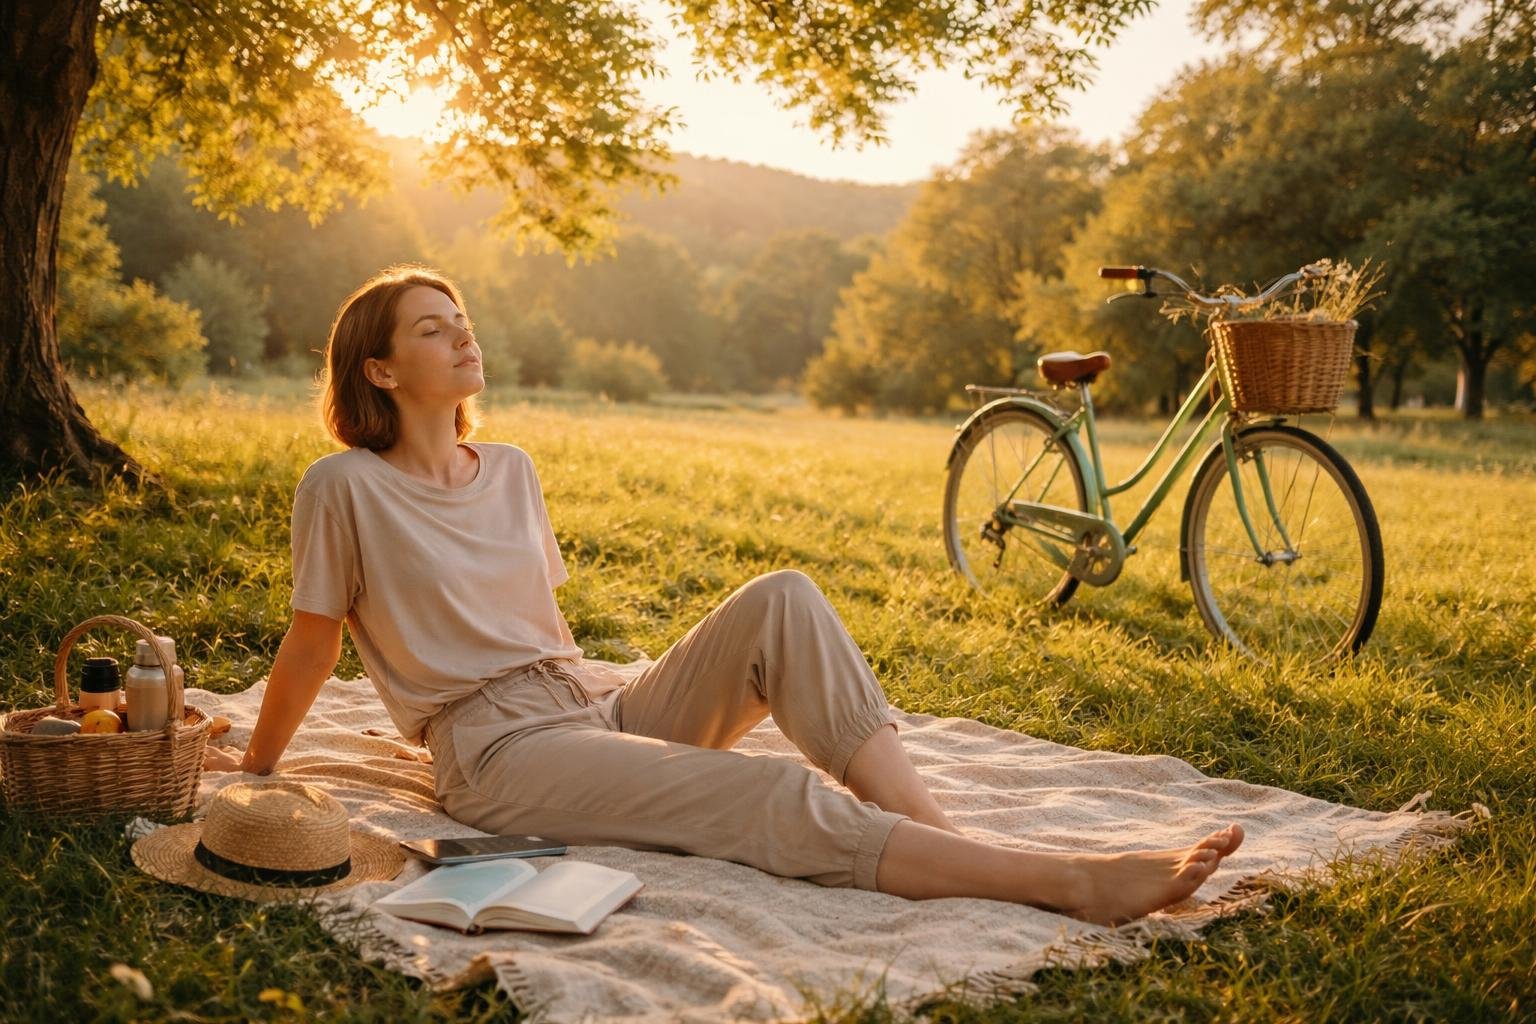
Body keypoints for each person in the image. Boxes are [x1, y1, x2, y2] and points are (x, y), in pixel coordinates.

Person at [204, 265, 1243, 925]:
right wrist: (254, 762)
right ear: (380, 371)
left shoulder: (510, 467)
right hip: (494, 752)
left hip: (585, 704)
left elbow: (539, 628)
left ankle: (955, 840)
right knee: (771, 793)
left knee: (783, 596)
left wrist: (623, 724)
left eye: (462, 316)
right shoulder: (341, 486)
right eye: (433, 329)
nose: (463, 334)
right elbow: (314, 644)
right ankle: (1066, 882)